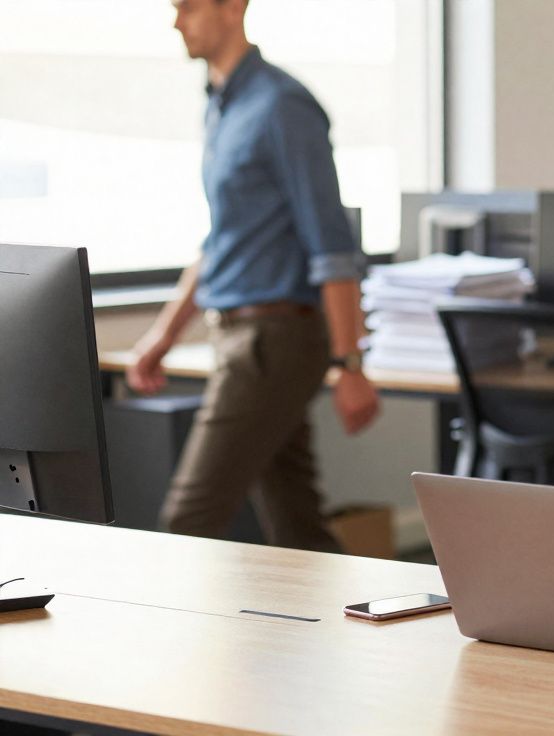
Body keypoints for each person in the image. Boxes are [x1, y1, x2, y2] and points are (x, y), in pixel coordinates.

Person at [127, 0, 380, 551]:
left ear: (233, 7)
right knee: (297, 526)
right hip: (237, 334)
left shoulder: (283, 106)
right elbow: (222, 240)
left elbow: (332, 246)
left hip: (275, 341)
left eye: (188, 7)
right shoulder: (222, 105)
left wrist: (351, 364)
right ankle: (341, 630)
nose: (177, 22)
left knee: (186, 524)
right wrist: (163, 336)